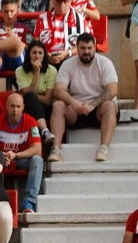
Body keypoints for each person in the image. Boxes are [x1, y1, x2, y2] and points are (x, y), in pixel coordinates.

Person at [50, 33, 118, 162]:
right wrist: (73, 102)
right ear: (77, 48)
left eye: (89, 48)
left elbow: (112, 89)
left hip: (99, 110)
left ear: (95, 47)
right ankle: (56, 149)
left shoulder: (105, 63)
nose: (86, 52)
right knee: (58, 105)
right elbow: (58, 90)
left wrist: (93, 104)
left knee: (109, 105)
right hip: (77, 110)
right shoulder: (68, 64)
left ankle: (104, 148)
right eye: (82, 48)